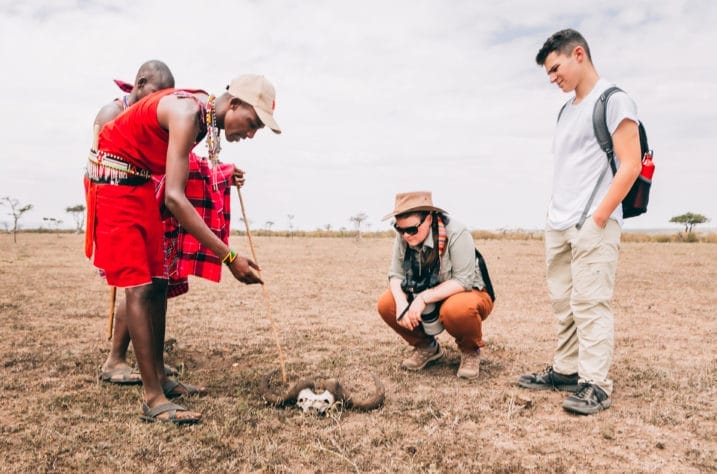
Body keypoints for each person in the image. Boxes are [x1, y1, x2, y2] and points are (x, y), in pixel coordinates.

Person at [86, 74, 281, 424]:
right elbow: (175, 197)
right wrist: (229, 256)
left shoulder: (202, 115)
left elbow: (178, 167)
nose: (250, 134)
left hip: (141, 183)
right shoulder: (187, 114)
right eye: (252, 123)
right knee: (139, 286)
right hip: (115, 182)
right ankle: (153, 398)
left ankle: (160, 376)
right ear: (233, 103)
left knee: (159, 280)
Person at [517, 29, 642, 415]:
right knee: (563, 304)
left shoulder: (614, 100)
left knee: (590, 303)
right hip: (559, 223)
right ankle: (567, 371)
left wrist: (599, 218)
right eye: (549, 73)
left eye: (556, 69)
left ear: (579, 55)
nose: (553, 78)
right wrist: (554, 217)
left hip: (592, 223)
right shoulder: (566, 109)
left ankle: (596, 385)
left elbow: (631, 164)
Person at [377, 191, 494, 380]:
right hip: (426, 292)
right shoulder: (404, 236)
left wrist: (424, 298)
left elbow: (463, 280)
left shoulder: (457, 232)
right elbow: (396, 275)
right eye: (400, 229)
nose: (406, 235)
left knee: (457, 309)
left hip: (467, 293)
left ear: (429, 218)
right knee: (386, 303)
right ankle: (426, 347)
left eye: (412, 229)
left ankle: (470, 351)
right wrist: (401, 303)